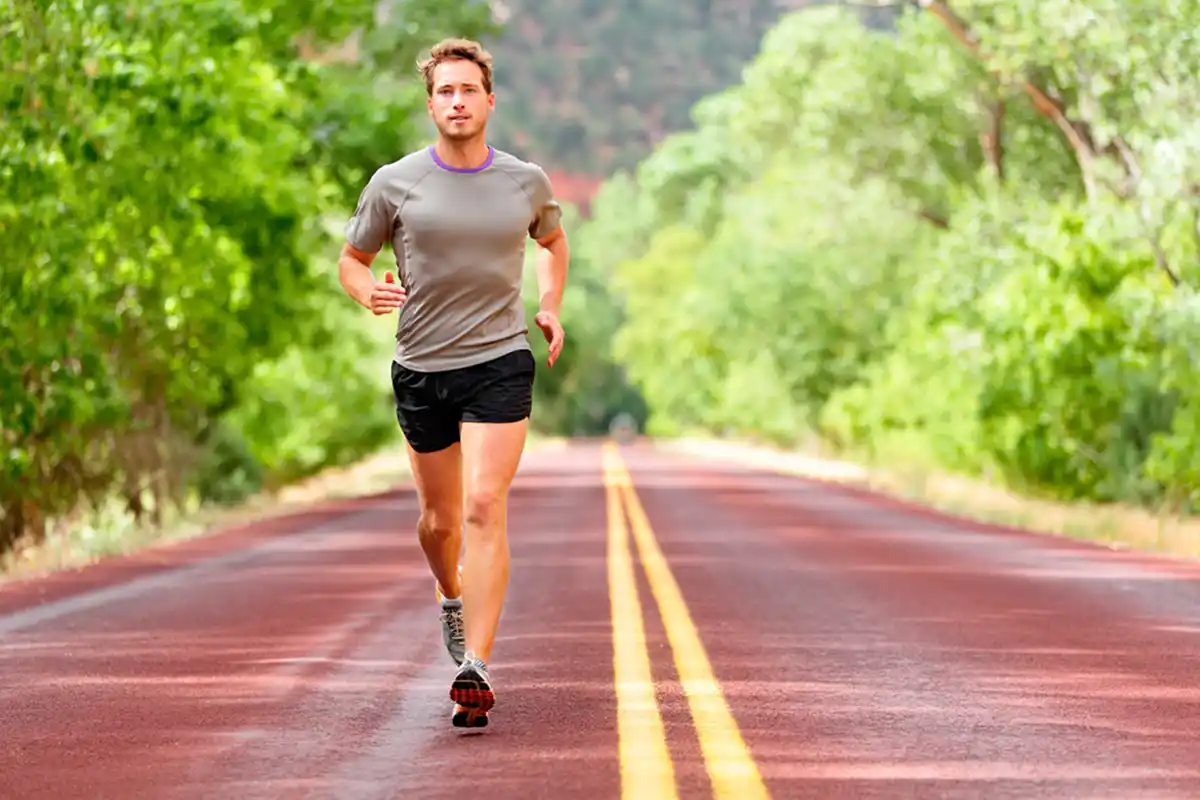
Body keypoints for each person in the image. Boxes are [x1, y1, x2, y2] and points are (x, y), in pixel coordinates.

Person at [336, 37, 569, 729]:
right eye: (445, 91)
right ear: (431, 102)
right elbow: (353, 258)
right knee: (439, 524)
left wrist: (549, 304)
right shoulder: (395, 182)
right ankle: (450, 595)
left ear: (489, 101)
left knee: (482, 505)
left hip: (499, 360)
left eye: (468, 90)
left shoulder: (524, 180)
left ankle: (478, 664)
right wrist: (364, 292)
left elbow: (552, 242)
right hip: (421, 368)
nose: (457, 101)